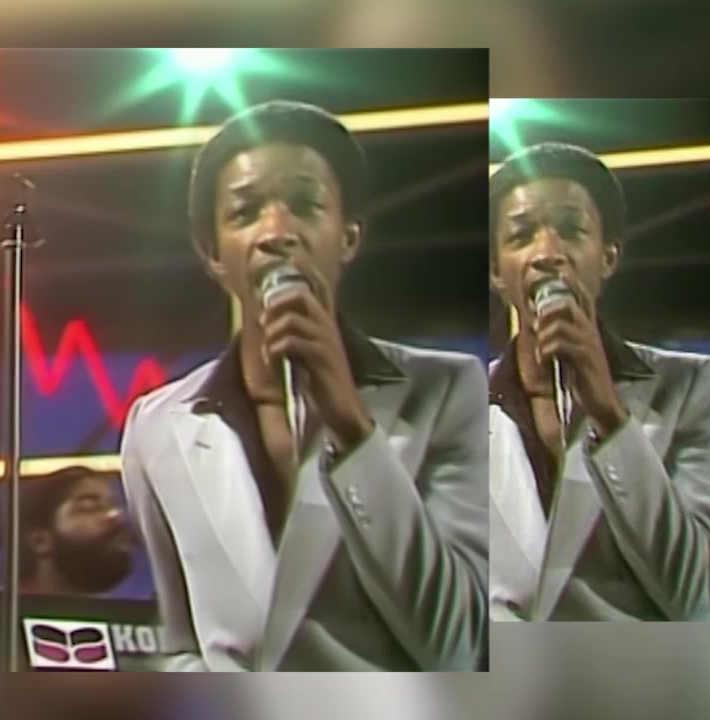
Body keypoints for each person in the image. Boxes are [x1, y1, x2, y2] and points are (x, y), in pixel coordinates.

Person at [119, 100, 488, 671]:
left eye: (305, 205)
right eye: (245, 212)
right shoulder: (157, 426)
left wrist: (353, 428)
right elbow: (178, 642)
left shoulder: (449, 391)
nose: (277, 232)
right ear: (213, 253)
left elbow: (460, 645)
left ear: (348, 237)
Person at [488, 142, 710, 621]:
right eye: (522, 234)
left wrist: (608, 411)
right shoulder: (456, 408)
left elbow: (695, 595)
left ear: (608, 257)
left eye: (571, 230)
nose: (548, 253)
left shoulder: (695, 389)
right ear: (496, 271)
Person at [1, 466, 133, 596]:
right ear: (40, 541)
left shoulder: (127, 610)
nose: (115, 516)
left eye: (113, 506)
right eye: (89, 506)